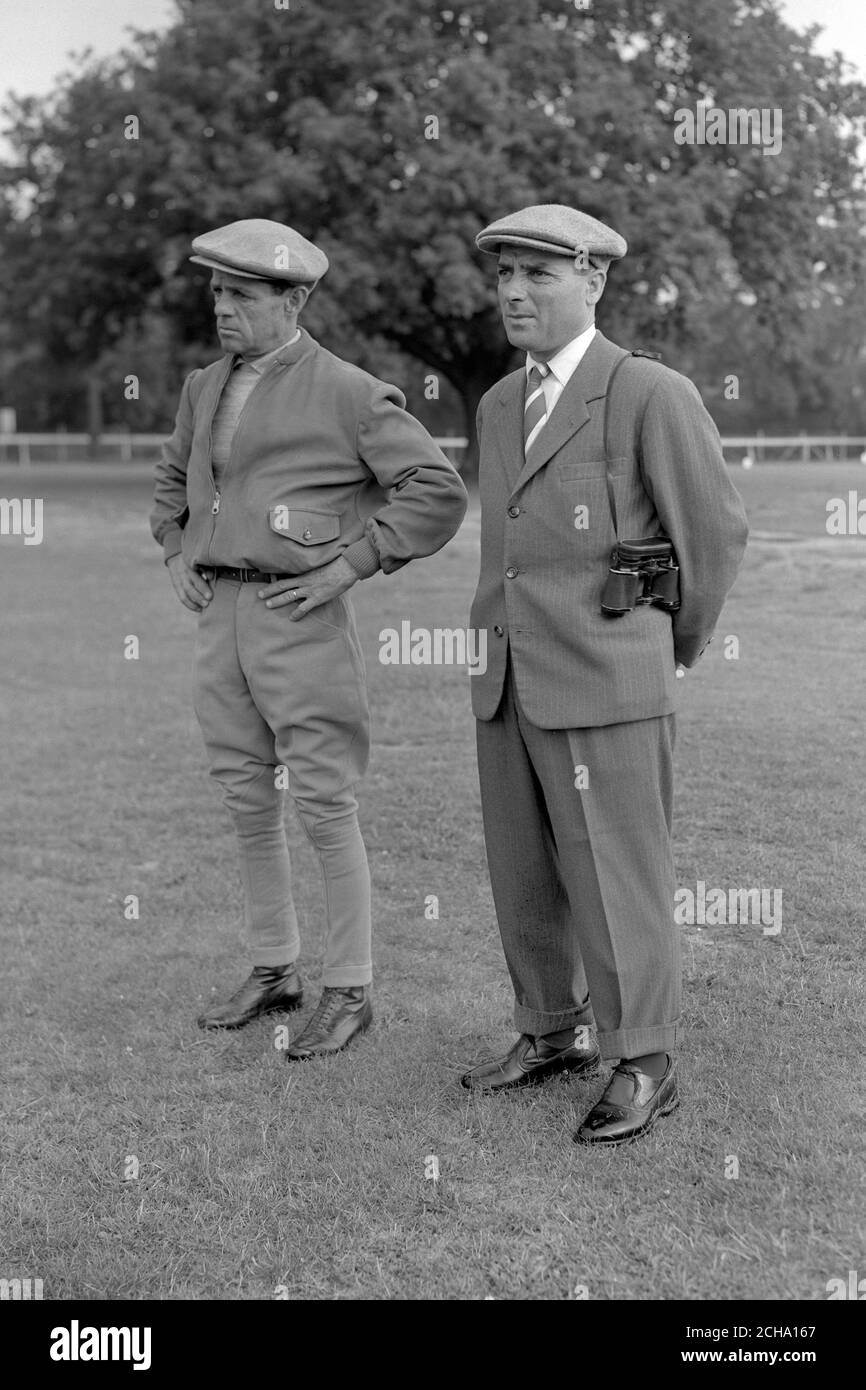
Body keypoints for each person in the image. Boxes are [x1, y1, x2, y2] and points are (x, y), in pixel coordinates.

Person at [461, 204, 748, 1143]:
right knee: (524, 871)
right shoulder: (501, 403)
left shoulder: (646, 392)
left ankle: (647, 1059)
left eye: (538, 273)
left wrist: (666, 650)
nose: (513, 290)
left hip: (609, 681)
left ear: (595, 280)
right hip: (509, 677)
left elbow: (711, 533)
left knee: (618, 874)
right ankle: (551, 1032)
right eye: (504, 272)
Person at [151, 218, 467, 1059]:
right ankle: (273, 968)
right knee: (247, 801)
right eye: (216, 292)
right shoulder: (201, 386)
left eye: (242, 295)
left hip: (302, 620)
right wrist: (175, 546)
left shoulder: (351, 392)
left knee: (326, 804)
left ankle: (351, 989)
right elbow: (173, 478)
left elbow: (435, 489)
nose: (222, 308)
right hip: (221, 618)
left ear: (293, 301)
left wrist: (351, 565)